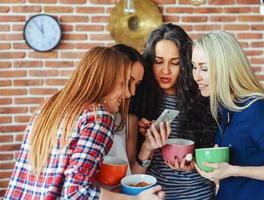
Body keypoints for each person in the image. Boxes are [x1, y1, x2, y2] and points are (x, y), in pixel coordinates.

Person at [4, 46, 165, 200]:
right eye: (123, 83)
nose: (129, 92)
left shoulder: (47, 107)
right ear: (105, 79)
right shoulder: (98, 116)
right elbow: (76, 193)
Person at [192, 30, 264, 200]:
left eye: (204, 68)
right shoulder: (224, 109)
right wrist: (195, 165)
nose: (196, 76)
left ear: (226, 67)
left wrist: (234, 170)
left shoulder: (257, 109)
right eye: (194, 67)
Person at [129, 23, 217, 199]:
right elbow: (130, 171)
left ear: (185, 64)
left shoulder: (203, 98)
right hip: (155, 194)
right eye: (158, 61)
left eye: (175, 63)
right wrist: (147, 141)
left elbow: (217, 158)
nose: (166, 70)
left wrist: (194, 163)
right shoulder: (138, 99)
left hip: (198, 194)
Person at [108, 44, 145, 175]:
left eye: (137, 85)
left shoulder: (129, 121)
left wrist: (148, 147)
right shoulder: (87, 117)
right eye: (128, 81)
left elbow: (130, 178)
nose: (132, 92)